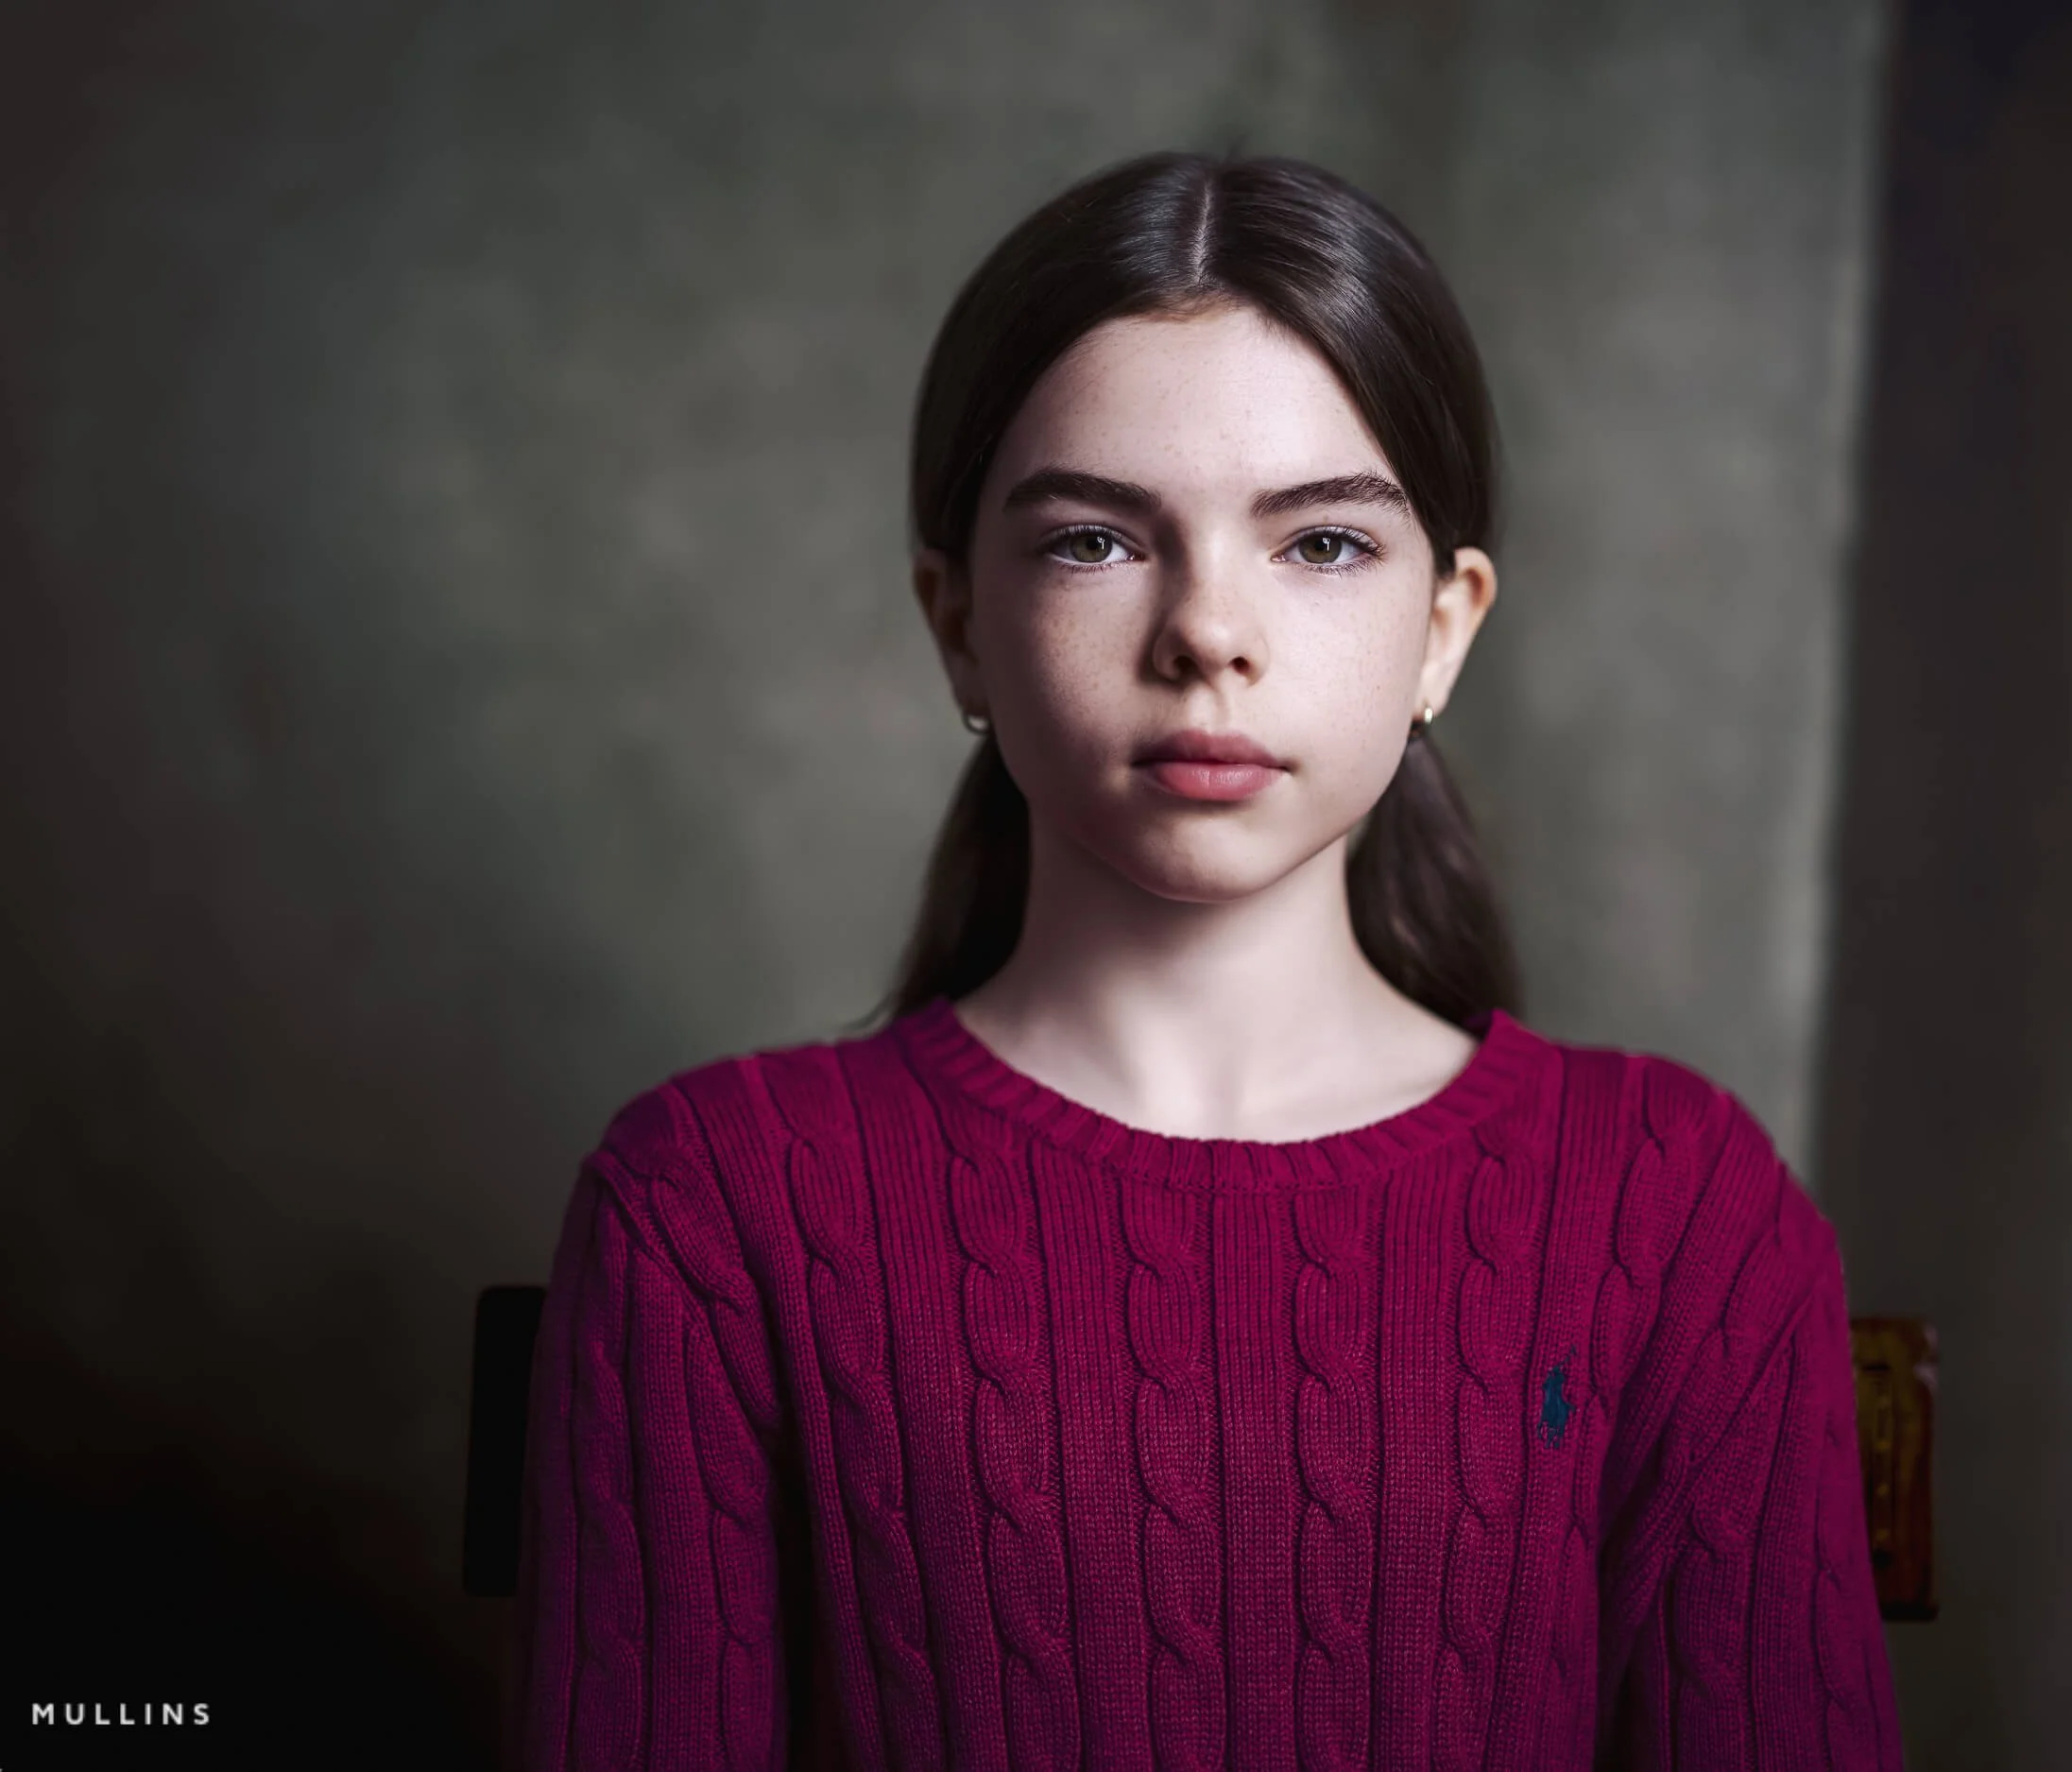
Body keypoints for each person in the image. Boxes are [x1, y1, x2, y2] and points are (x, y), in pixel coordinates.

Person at [505, 149, 1902, 1770]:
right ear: (958, 620)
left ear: (1444, 627)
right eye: (1097, 540)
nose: (1206, 632)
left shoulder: (1681, 1210)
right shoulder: (715, 1207)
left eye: (1320, 546)